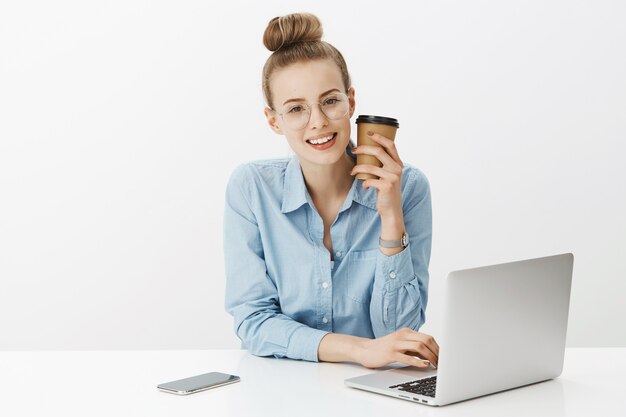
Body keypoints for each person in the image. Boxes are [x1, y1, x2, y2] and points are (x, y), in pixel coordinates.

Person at [223, 12, 439, 369]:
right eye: (296, 109)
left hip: (375, 391)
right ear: (274, 120)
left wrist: (390, 217)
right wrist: (360, 350)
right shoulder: (251, 188)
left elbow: (401, 331)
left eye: (330, 101)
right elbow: (254, 323)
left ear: (351, 102)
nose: (319, 121)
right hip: (282, 389)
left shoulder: (408, 186)